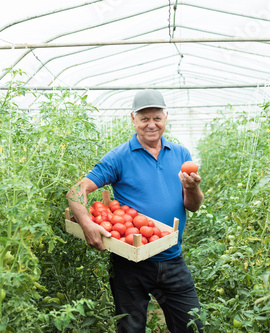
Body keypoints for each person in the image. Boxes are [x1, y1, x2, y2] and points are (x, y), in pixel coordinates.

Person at [67, 89, 204, 333]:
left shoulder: (181, 154)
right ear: (133, 119)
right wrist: (87, 224)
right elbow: (75, 192)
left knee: (192, 326)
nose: (151, 125)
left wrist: (192, 189)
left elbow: (192, 205)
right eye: (144, 118)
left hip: (172, 259)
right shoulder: (119, 157)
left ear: (165, 117)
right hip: (130, 263)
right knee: (131, 328)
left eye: (157, 118)